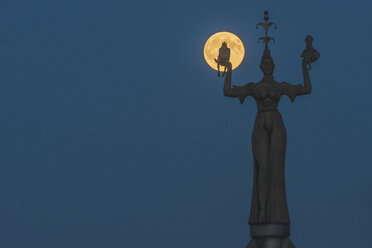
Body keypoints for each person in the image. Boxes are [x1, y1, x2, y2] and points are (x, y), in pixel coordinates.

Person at [223, 49, 312, 224]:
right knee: (262, 167)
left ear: (274, 65)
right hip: (261, 122)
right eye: (265, 62)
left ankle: (276, 212)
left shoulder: (281, 86)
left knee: (276, 169)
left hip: (277, 123)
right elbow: (228, 91)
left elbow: (307, 89)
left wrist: (304, 67)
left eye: (270, 62)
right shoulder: (253, 87)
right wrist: (229, 69)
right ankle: (262, 211)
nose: (268, 65)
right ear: (260, 66)